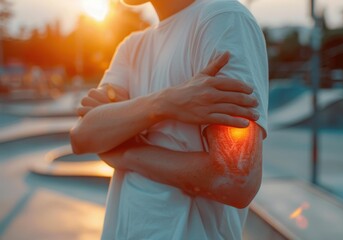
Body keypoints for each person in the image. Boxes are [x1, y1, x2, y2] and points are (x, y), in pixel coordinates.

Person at [70, 0, 268, 239]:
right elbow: (82, 136)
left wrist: (128, 154)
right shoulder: (132, 46)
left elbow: (236, 180)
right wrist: (165, 103)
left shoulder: (221, 19)